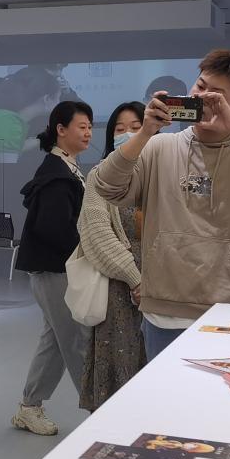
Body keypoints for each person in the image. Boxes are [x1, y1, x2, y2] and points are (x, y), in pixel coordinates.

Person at [90, 50, 230, 360]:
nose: (202, 97)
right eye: (200, 86)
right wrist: (145, 131)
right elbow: (106, 185)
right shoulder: (159, 147)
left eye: (217, 96)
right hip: (164, 310)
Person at [10, 100, 93, 436]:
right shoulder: (57, 175)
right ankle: (99, 409)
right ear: (61, 130)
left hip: (58, 269)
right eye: (81, 126)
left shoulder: (66, 168)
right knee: (75, 340)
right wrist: (89, 251)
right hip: (55, 270)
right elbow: (54, 229)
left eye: (90, 127)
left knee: (56, 340)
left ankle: (29, 407)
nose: (88, 133)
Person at [77, 102, 147, 412]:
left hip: (165, 287)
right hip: (119, 289)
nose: (127, 134)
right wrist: (135, 280)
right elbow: (97, 234)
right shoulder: (99, 176)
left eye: (136, 127)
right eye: (120, 129)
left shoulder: (163, 173)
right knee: (121, 363)